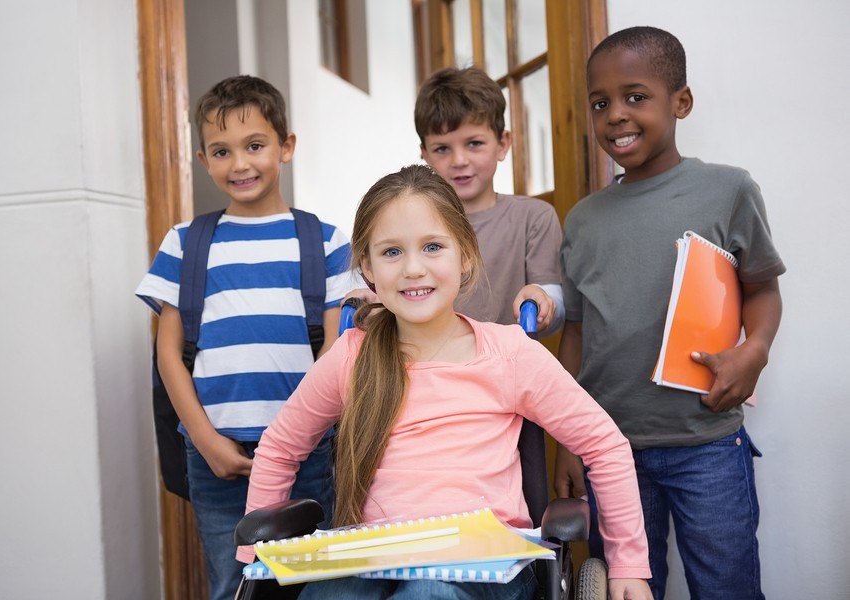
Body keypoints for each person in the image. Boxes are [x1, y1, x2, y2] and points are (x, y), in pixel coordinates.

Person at [238, 165, 652, 600]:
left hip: (491, 566)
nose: (413, 268)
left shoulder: (508, 354)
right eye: (392, 252)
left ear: (465, 255)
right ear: (368, 269)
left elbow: (604, 444)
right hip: (374, 557)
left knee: (427, 593)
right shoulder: (351, 357)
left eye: (433, 247)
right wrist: (252, 561)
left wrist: (628, 564)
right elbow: (280, 448)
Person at [554, 26, 784, 600]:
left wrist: (753, 352)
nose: (616, 116)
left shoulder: (727, 190)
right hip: (610, 451)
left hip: (707, 441)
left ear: (680, 102)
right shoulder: (582, 219)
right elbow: (577, 330)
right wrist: (567, 441)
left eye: (636, 97)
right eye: (601, 103)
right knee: (627, 590)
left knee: (727, 587)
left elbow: (762, 288)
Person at [135, 75, 352, 600]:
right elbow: (168, 355)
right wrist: (206, 442)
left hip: (307, 451)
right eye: (221, 151)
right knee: (236, 584)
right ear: (203, 159)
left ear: (286, 147)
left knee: (311, 581)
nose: (240, 164)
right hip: (217, 458)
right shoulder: (185, 243)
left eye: (255, 145)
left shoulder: (324, 240)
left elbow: (337, 350)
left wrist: (299, 438)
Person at [414, 66, 564, 333]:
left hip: (509, 370)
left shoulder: (534, 218)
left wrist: (542, 300)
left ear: (503, 144)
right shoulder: (410, 222)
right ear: (425, 154)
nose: (459, 161)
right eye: (442, 149)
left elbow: (554, 307)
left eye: (474, 143)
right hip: (428, 369)